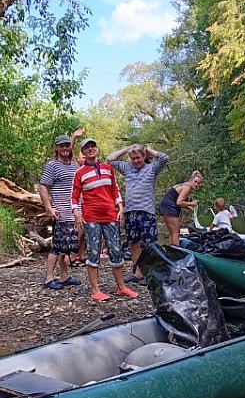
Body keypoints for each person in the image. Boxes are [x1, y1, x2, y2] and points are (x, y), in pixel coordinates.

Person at [72, 137, 139, 302]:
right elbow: (74, 196)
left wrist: (121, 207)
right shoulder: (79, 173)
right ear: (83, 152)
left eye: (93, 146)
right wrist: (76, 213)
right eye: (87, 148)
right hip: (91, 217)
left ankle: (121, 287)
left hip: (110, 215)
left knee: (116, 250)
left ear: (97, 148)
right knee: (93, 252)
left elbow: (114, 190)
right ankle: (96, 290)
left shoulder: (108, 168)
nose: (90, 149)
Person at [106, 143, 170, 285]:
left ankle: (150, 273)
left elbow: (165, 158)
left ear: (144, 156)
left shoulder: (152, 168)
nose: (135, 161)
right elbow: (110, 159)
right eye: (133, 158)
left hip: (146, 211)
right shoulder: (127, 168)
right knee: (133, 243)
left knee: (149, 244)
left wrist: (149, 150)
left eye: (138, 158)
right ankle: (137, 273)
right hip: (130, 212)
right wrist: (127, 149)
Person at [39, 129, 85, 290]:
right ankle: (49, 278)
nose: (65, 148)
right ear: (57, 148)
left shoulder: (73, 164)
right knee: (57, 247)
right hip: (61, 212)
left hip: (74, 213)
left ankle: (64, 276)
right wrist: (48, 207)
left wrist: (74, 138)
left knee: (67, 247)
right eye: (62, 146)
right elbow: (43, 186)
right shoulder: (52, 165)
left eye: (68, 145)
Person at [158, 171, 203, 247]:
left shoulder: (184, 185)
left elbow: (178, 200)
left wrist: (190, 207)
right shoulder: (187, 187)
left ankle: (171, 252)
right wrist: (192, 203)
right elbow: (179, 202)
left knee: (172, 232)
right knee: (175, 232)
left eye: (198, 183)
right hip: (169, 206)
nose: (196, 184)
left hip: (165, 205)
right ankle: (176, 252)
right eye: (195, 182)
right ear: (191, 179)